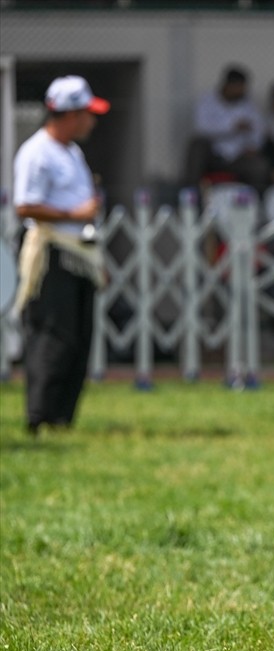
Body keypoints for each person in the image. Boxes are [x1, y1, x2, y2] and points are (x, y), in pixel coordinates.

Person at [12, 75, 109, 437]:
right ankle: (40, 415)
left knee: (80, 336)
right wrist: (75, 215)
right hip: (52, 254)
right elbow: (26, 205)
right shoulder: (37, 153)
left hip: (79, 254)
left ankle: (63, 417)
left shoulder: (71, 151)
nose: (92, 121)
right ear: (69, 114)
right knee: (53, 333)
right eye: (87, 113)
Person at [183, 65, 270, 194]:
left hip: (238, 156)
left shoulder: (248, 105)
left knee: (259, 166)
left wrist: (253, 146)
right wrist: (232, 126)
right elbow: (201, 127)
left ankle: (255, 204)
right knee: (197, 145)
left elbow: (258, 130)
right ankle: (191, 197)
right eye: (239, 88)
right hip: (213, 153)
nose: (242, 91)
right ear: (229, 85)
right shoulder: (207, 100)